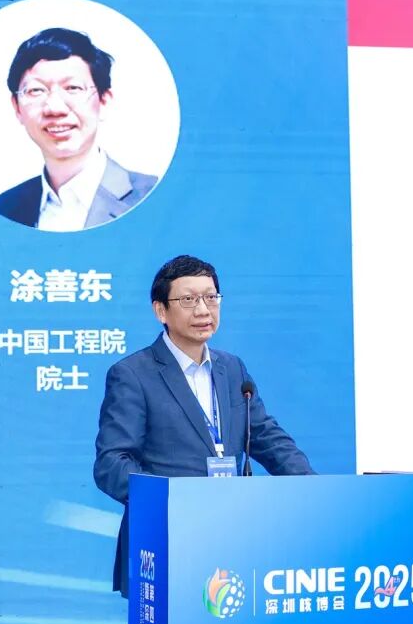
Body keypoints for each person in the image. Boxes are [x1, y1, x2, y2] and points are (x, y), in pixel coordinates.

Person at [94, 255, 314, 595]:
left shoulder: (232, 369)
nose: (202, 310)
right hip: (165, 540)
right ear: (161, 311)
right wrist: (176, 500)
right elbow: (112, 464)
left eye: (211, 297)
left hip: (231, 537)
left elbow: (267, 437)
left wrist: (312, 488)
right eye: (188, 300)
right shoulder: (133, 374)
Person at [0, 27, 157, 230]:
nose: (55, 108)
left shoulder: (154, 198)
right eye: (36, 90)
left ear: (104, 101)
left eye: (73, 88)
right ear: (17, 107)